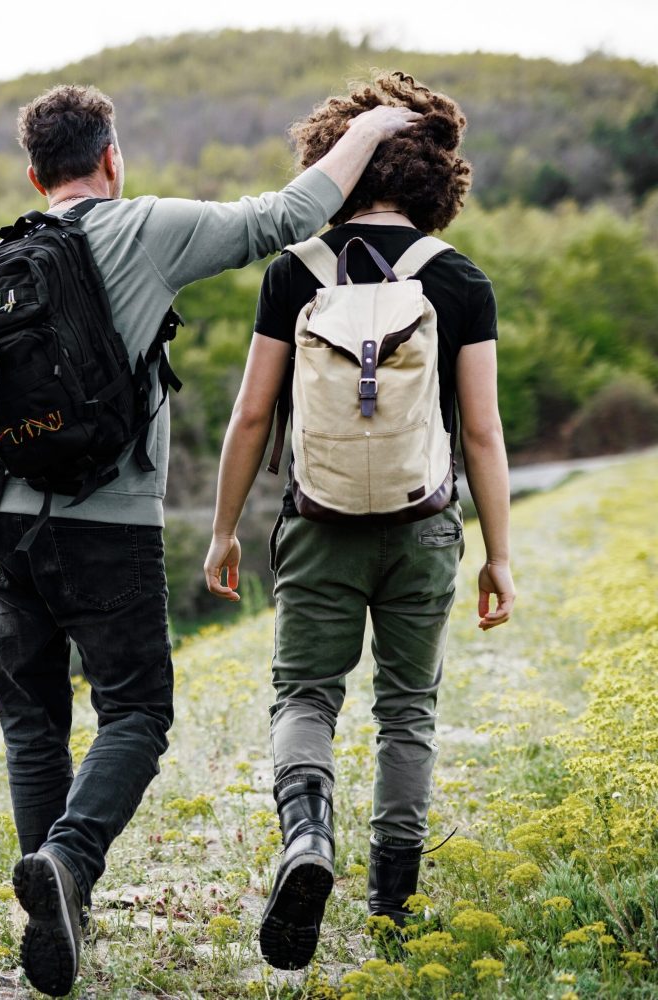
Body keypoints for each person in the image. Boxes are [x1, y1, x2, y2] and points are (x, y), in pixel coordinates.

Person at [0, 83, 419, 997]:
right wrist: (366, 129)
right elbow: (285, 217)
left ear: (32, 173)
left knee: (32, 727)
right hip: (103, 523)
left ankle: (55, 915)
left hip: (0, 524)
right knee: (136, 712)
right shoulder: (144, 227)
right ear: (111, 159)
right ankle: (71, 865)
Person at [204, 71, 515, 970]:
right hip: (423, 527)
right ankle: (392, 906)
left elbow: (252, 416)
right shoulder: (459, 281)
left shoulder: (291, 273)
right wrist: (499, 554)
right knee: (407, 710)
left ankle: (307, 840)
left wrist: (225, 530)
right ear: (435, 178)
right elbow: (484, 434)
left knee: (306, 695)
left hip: (317, 522)